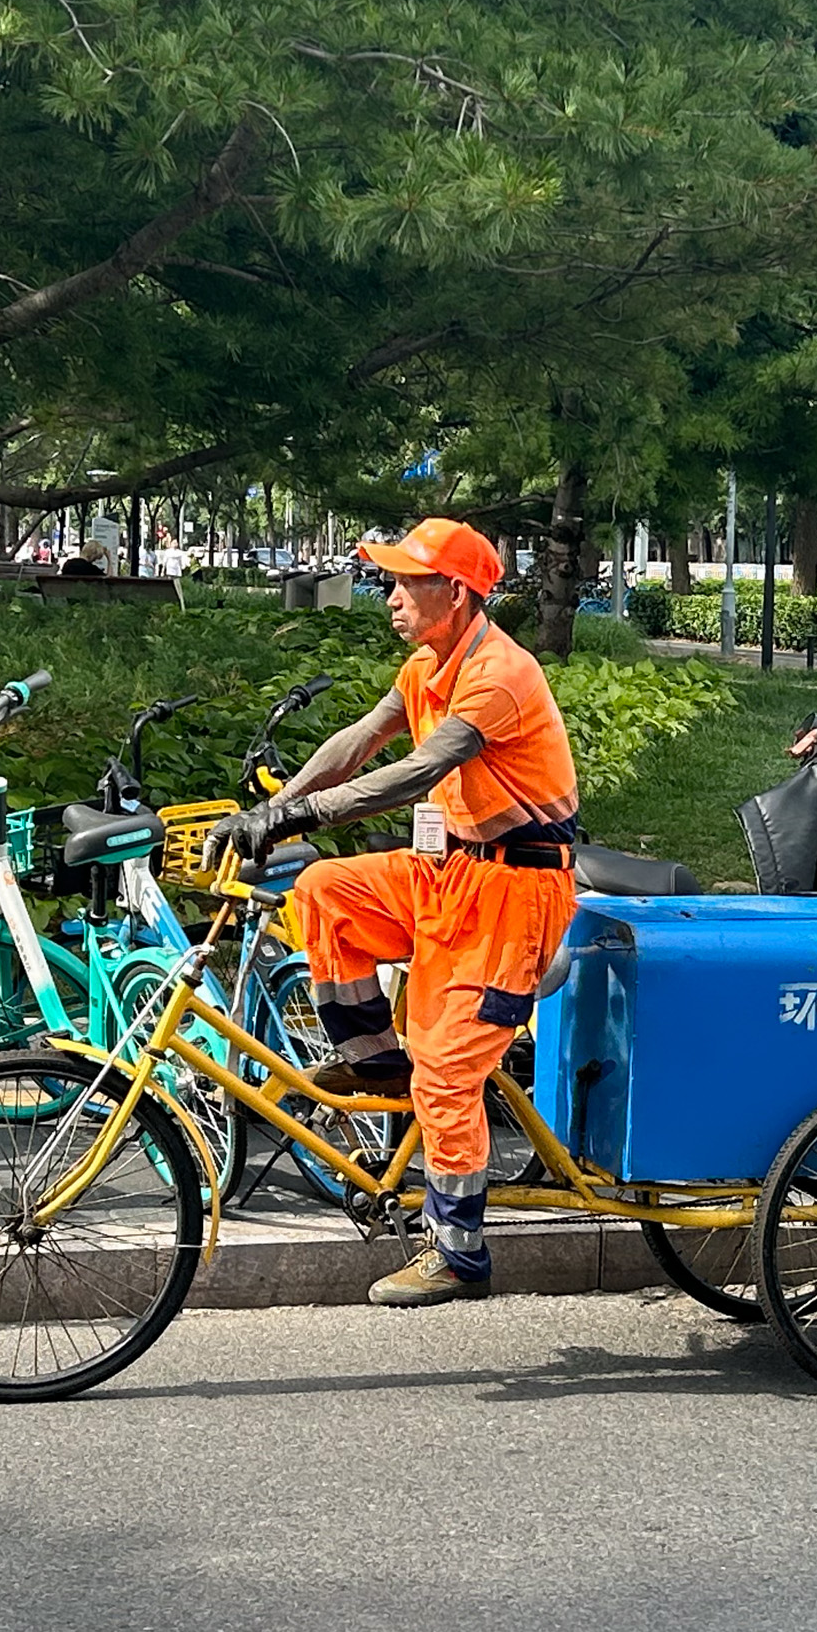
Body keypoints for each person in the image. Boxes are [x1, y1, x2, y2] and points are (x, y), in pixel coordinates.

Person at [203, 518, 579, 1307]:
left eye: (408, 581)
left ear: (458, 591)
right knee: (325, 893)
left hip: (516, 895)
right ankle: (379, 1064)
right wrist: (275, 807)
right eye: (390, 580)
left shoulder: (500, 674)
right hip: (448, 873)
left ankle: (458, 1251)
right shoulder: (424, 666)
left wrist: (296, 821)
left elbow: (419, 771)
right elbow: (360, 740)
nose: (391, 596)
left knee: (449, 1071)